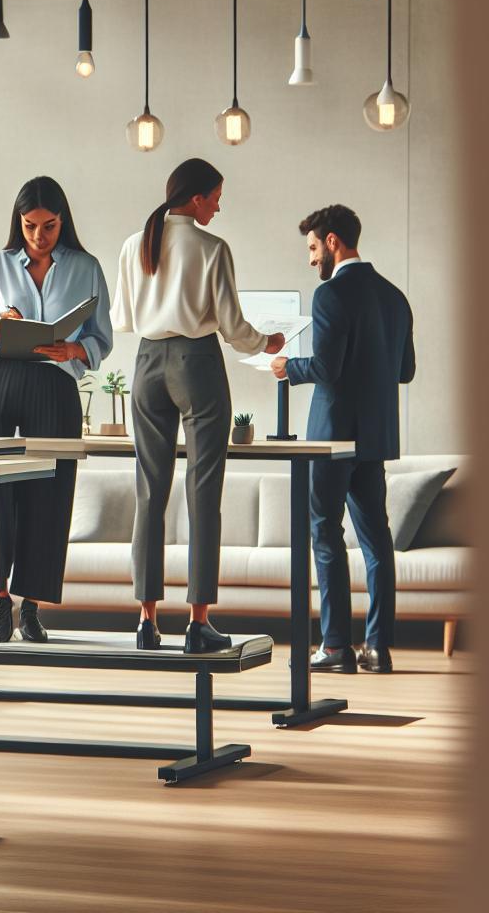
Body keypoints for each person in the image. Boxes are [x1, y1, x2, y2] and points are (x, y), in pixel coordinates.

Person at [111, 158, 283, 654]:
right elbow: (233, 327)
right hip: (197, 365)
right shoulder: (212, 248)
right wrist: (265, 342)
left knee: (149, 491)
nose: (218, 205)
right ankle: (197, 623)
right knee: (203, 493)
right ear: (194, 199)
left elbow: (123, 317)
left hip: (146, 363)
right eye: (215, 197)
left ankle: (145, 621)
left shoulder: (133, 243)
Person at [0, 177, 113, 643]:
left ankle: (31, 607)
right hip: (2, 379)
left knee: (51, 493)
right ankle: (0, 598)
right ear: (18, 222)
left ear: (62, 220)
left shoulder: (86, 267)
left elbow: (101, 337)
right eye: (29, 226)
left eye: (48, 226)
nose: (39, 236)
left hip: (55, 385)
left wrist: (76, 350)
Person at [273, 205, 416, 674]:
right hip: (374, 438)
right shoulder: (395, 297)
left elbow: (327, 370)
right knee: (377, 541)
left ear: (333, 241)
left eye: (314, 248)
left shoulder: (331, 295)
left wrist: (287, 368)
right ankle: (378, 648)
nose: (312, 260)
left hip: (332, 439)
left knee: (325, 534)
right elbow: (406, 371)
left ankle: (334, 646)